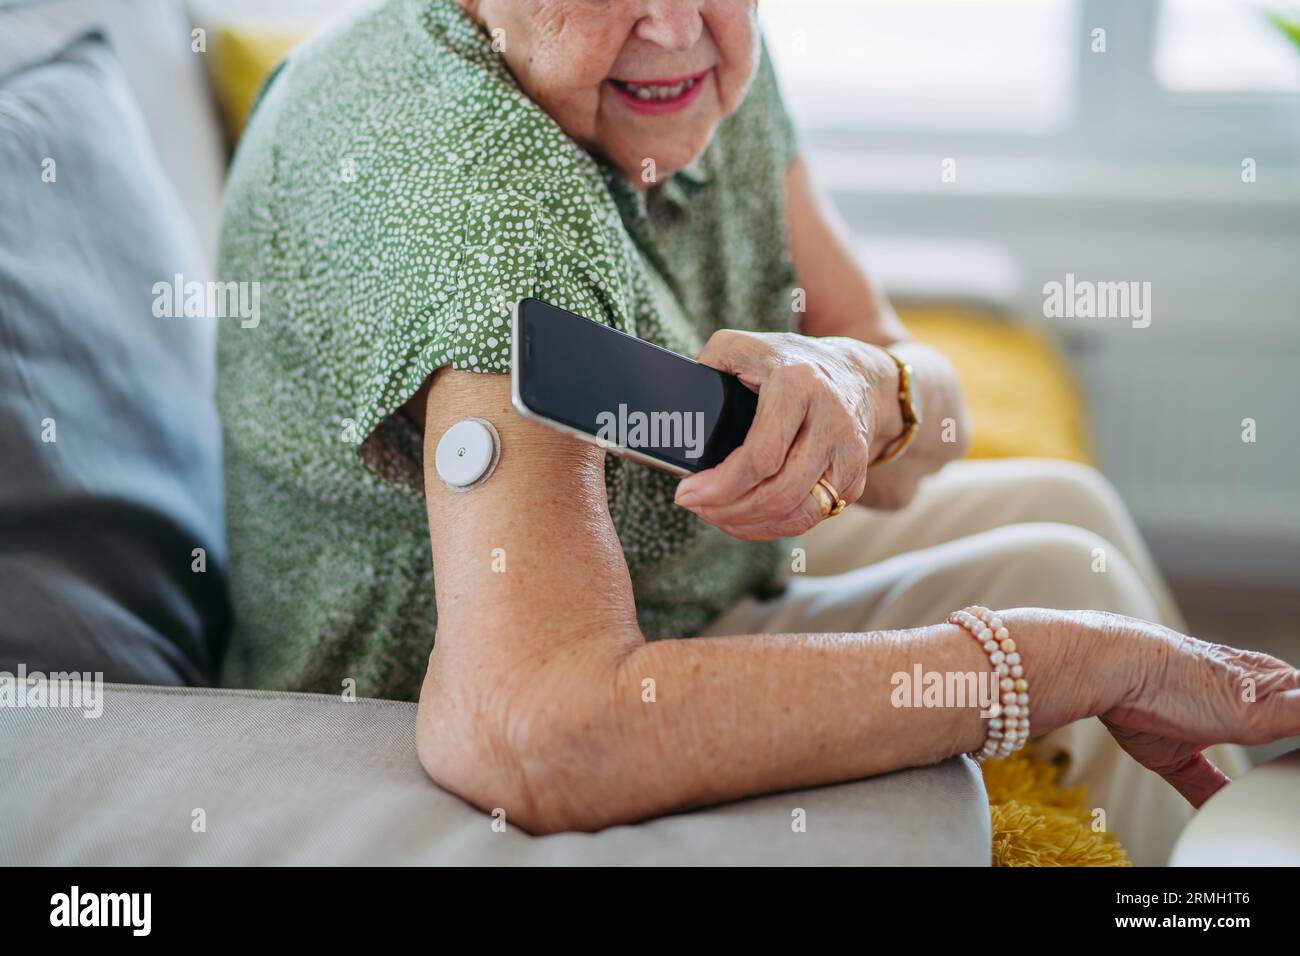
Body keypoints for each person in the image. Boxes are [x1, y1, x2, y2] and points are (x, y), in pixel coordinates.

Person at [216, 0, 1299, 864]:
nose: (677, 26)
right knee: (1070, 598)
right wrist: (1055, 664)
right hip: (448, 670)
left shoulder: (691, 60)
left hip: (673, 563)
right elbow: (529, 726)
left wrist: (867, 384)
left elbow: (920, 410)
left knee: (1067, 518)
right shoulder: (453, 185)